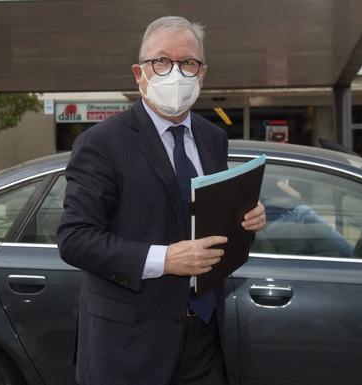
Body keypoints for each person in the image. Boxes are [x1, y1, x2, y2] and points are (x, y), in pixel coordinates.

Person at [56, 16, 266, 385]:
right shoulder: (102, 143)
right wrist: (166, 259)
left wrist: (247, 219)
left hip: (204, 338)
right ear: (139, 74)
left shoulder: (212, 138)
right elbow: (75, 238)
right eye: (162, 61)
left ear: (202, 74)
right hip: (128, 347)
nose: (176, 73)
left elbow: (209, 221)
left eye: (188, 63)